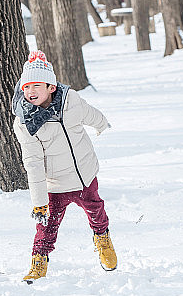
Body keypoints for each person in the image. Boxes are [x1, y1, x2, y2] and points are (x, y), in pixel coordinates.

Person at [12, 51, 116, 283]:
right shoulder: (25, 122)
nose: (30, 91)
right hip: (55, 184)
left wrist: (101, 124)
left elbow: (90, 113)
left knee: (96, 211)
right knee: (47, 226)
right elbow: (33, 163)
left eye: (36, 86)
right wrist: (39, 202)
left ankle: (102, 239)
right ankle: (39, 260)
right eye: (26, 87)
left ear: (51, 87)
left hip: (84, 176)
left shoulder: (71, 101)